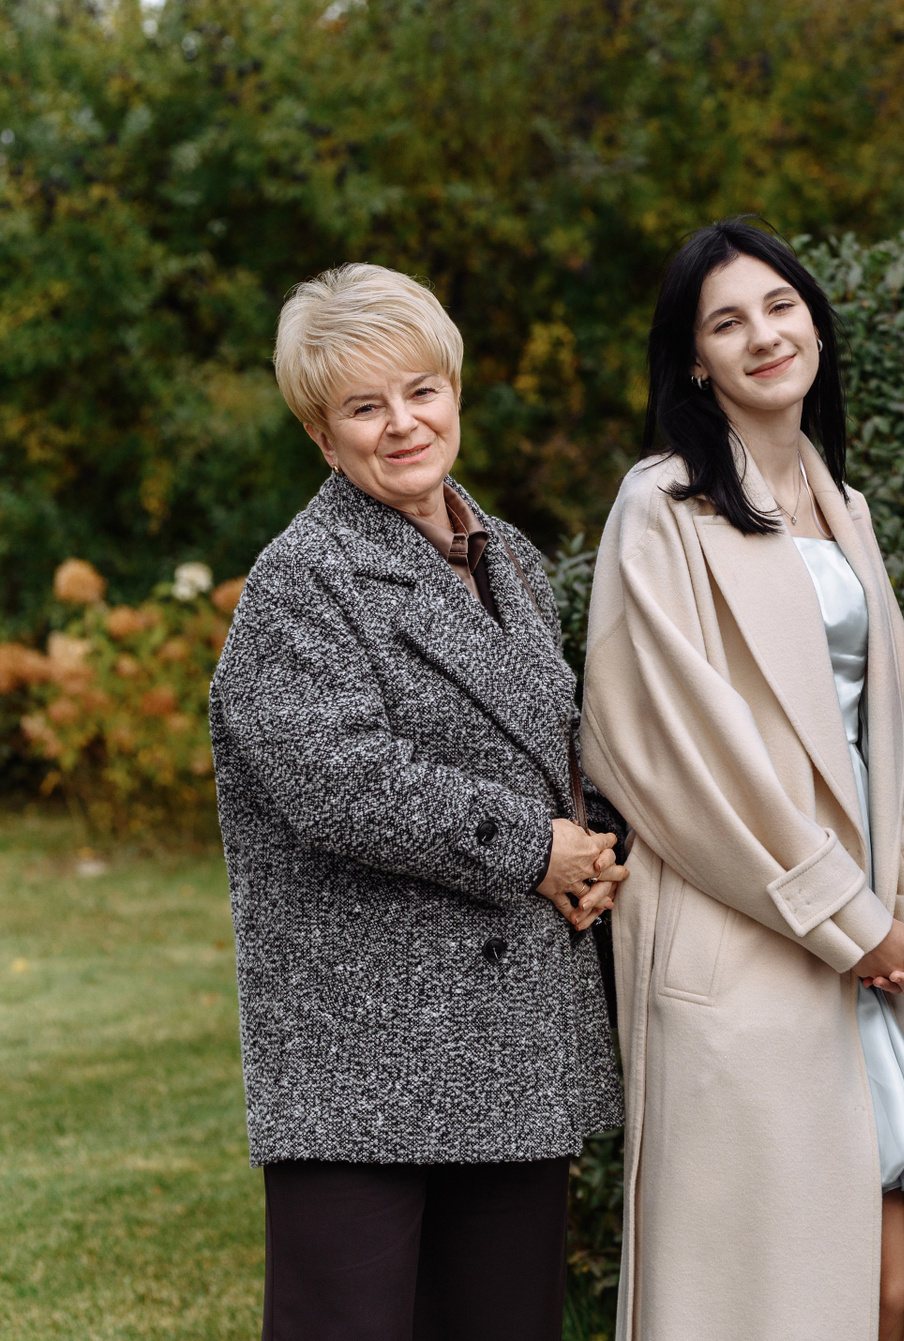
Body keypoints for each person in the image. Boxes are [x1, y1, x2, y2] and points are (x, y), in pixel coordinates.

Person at [208, 263, 627, 1341]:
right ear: (322, 436)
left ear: (454, 391)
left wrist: (593, 847)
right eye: (364, 407)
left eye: (420, 390)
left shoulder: (508, 557)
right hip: (364, 1060)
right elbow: (336, 781)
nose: (402, 424)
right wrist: (534, 848)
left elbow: (550, 749)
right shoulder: (301, 580)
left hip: (514, 1039)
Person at [579, 218, 904, 1341]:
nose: (763, 335)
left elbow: (898, 722)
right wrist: (851, 920)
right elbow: (676, 754)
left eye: (781, 306)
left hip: (865, 939)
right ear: (694, 361)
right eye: (727, 322)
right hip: (743, 935)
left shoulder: (840, 504)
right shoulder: (661, 508)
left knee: (886, 1291)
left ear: (816, 324)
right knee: (774, 1300)